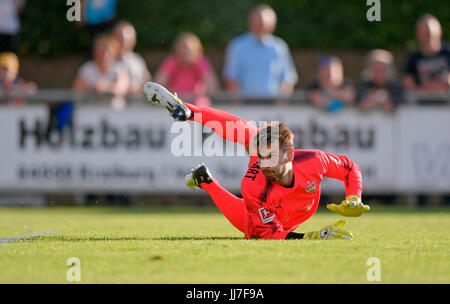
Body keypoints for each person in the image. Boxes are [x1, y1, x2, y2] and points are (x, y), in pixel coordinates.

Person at [143, 82, 370, 240]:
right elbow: (270, 234)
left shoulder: (313, 161)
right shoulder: (254, 186)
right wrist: (312, 237)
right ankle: (189, 116)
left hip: (293, 212)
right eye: (261, 157)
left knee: (252, 135)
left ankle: (203, 172)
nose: (264, 164)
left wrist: (354, 197)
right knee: (249, 227)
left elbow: (350, 168)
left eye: (270, 156)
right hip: (271, 218)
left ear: (289, 155)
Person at [223, 4, 298, 100]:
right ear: (250, 22)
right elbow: (231, 79)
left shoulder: (280, 47)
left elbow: (288, 80)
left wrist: (280, 104)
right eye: (257, 22)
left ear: (272, 25)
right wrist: (238, 105)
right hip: (245, 106)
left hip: (273, 105)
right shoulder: (237, 46)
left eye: (263, 23)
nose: (260, 26)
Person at [155, 32, 218, 106]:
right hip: (175, 105)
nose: (186, 53)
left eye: (190, 49)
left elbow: (213, 87)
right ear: (176, 50)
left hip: (197, 107)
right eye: (183, 48)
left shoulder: (200, 62)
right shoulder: (171, 62)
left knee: (199, 114)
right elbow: (158, 85)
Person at [72, 35, 129, 109]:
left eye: (107, 49)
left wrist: (104, 88)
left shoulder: (119, 68)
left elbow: (122, 89)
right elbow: (76, 90)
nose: (104, 53)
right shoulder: (86, 68)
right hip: (90, 110)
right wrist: (93, 88)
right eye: (101, 49)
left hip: (115, 111)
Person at [403, 14, 450, 92]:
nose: (428, 37)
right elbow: (408, 83)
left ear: (440, 31)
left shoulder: (448, 51)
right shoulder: (412, 56)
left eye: (430, 33)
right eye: (425, 33)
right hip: (422, 102)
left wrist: (423, 86)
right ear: (418, 34)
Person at [113, 21, 151, 96]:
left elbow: (147, 80)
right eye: (120, 37)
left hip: (138, 104)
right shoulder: (106, 60)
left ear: (134, 40)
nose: (123, 42)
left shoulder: (138, 60)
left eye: (127, 39)